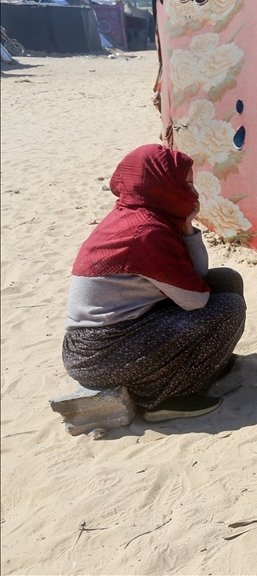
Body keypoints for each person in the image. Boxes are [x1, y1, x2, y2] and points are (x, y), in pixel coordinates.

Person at [62, 145, 246, 422]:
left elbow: (199, 274)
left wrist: (187, 228)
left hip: (116, 334)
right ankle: (164, 397)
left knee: (226, 280)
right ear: (162, 185)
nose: (193, 193)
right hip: (97, 352)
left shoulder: (146, 216)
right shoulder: (145, 232)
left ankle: (207, 366)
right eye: (186, 184)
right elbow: (195, 299)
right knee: (227, 308)